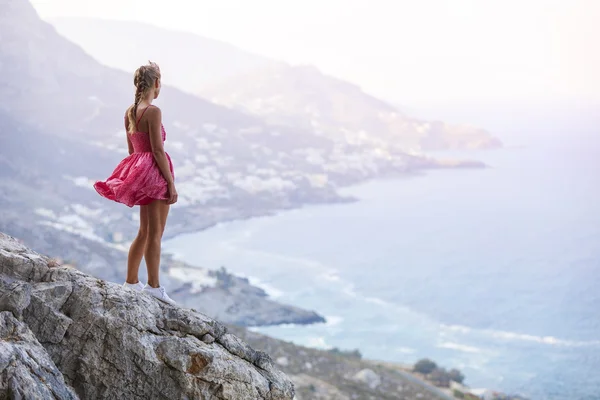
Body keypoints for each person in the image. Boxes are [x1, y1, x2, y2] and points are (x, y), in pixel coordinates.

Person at [94, 61, 177, 305]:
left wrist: (138, 173)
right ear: (157, 84)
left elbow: (132, 150)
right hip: (155, 174)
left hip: (139, 171)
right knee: (156, 234)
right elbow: (158, 151)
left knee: (143, 231)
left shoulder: (129, 112)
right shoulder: (153, 111)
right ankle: (154, 287)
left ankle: (131, 281)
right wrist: (170, 183)